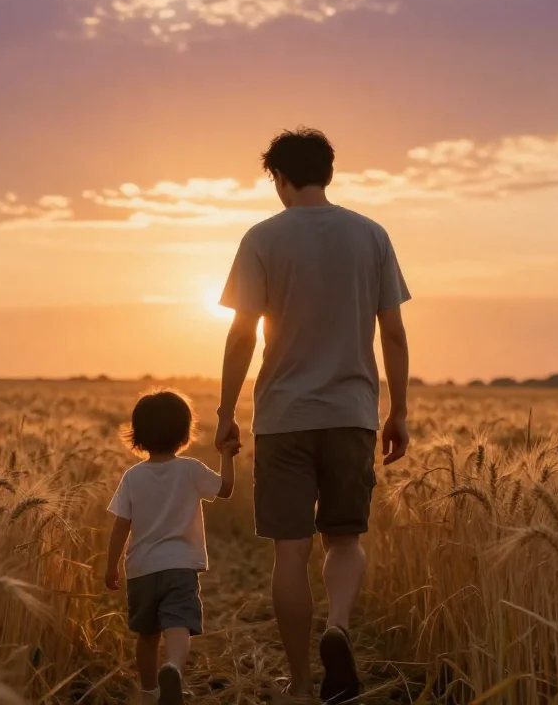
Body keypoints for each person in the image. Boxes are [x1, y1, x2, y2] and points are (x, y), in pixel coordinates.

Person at [215, 128, 412, 703]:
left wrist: (226, 411)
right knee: (346, 539)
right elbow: (393, 332)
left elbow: (241, 335)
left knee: (290, 550)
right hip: (353, 413)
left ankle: (302, 685)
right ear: (328, 172)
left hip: (283, 417)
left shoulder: (262, 238)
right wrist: (397, 410)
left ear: (278, 178)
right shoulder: (371, 235)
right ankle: (339, 627)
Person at [105, 390, 239, 705]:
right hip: (180, 566)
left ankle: (150, 692)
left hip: (142, 569)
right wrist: (227, 456)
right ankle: (173, 669)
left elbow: (121, 525)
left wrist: (111, 565)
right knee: (178, 623)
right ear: (183, 434)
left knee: (147, 635)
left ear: (137, 436)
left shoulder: (132, 477)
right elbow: (227, 489)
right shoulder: (191, 469)